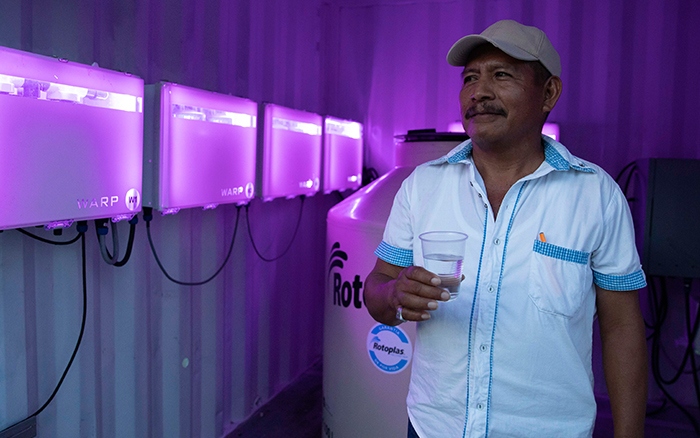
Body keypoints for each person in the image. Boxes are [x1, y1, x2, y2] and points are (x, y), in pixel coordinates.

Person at [364, 19, 648, 438]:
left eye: (501, 75)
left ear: (549, 92)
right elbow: (377, 290)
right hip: (434, 428)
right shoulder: (422, 186)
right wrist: (394, 293)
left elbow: (622, 327)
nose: (479, 92)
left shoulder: (596, 196)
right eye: (470, 79)